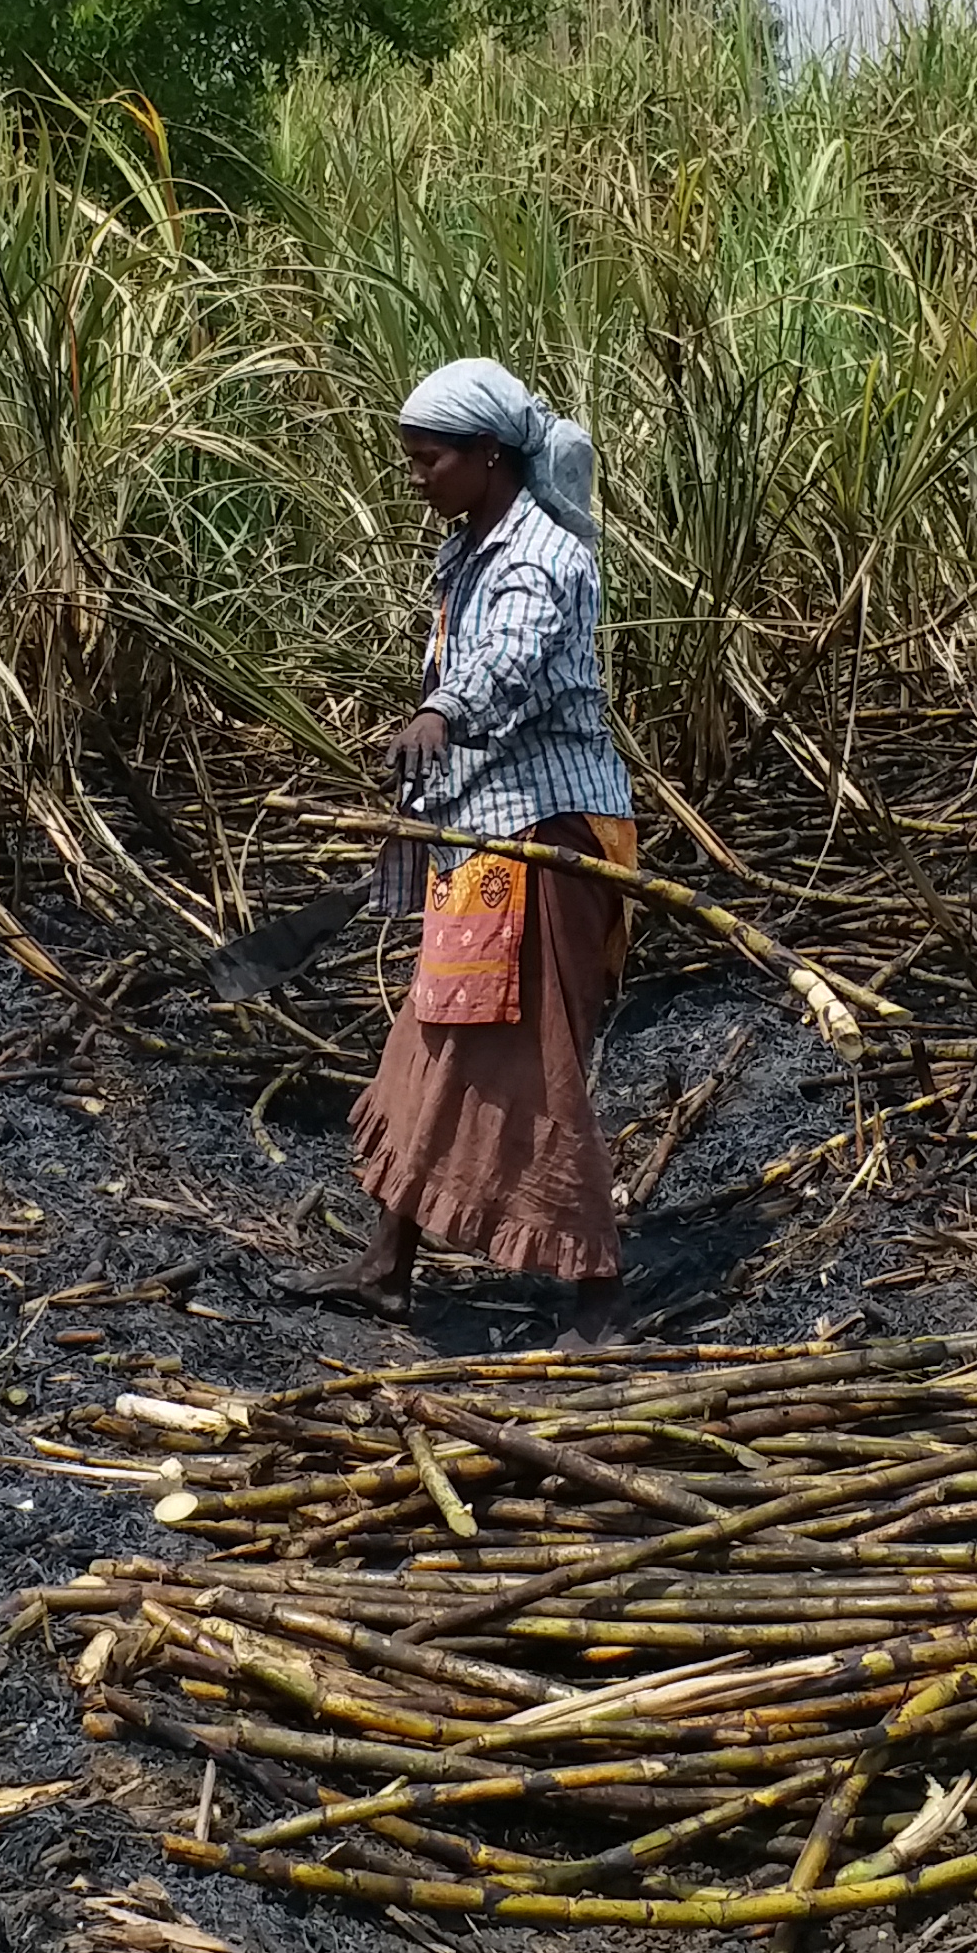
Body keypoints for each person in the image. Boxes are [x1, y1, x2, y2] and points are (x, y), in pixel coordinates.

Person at [301, 357, 643, 1345]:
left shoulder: (542, 559)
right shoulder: (472, 546)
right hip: (485, 839)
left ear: (487, 455)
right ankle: (386, 1265)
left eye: (428, 460)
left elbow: (510, 659)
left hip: (547, 844)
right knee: (431, 1043)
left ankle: (599, 1292)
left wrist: (441, 712)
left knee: (532, 1068)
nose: (416, 478)